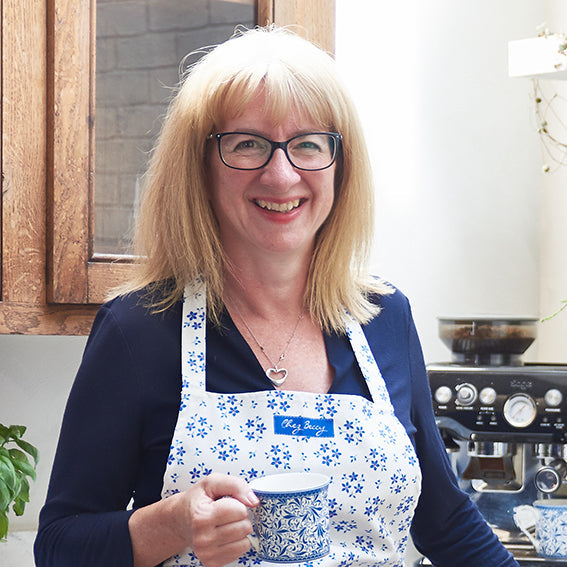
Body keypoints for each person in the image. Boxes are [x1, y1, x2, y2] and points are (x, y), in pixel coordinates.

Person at [34, 26, 519, 567]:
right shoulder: (140, 329)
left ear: (341, 164)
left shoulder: (383, 316)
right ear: (200, 167)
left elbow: (446, 522)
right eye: (248, 144)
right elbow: (60, 545)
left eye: (309, 144)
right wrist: (170, 524)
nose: (282, 174)